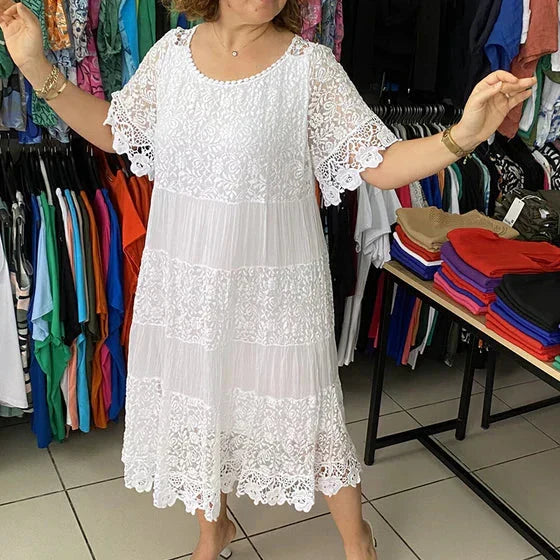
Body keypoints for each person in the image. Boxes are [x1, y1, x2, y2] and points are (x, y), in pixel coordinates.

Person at [0, 0, 534, 558]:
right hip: (189, 282)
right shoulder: (170, 57)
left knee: (309, 410)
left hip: (277, 289)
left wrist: (463, 136)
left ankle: (358, 540)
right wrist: (35, 66)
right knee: (203, 403)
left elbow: (379, 163)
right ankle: (213, 530)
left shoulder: (309, 68)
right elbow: (115, 132)